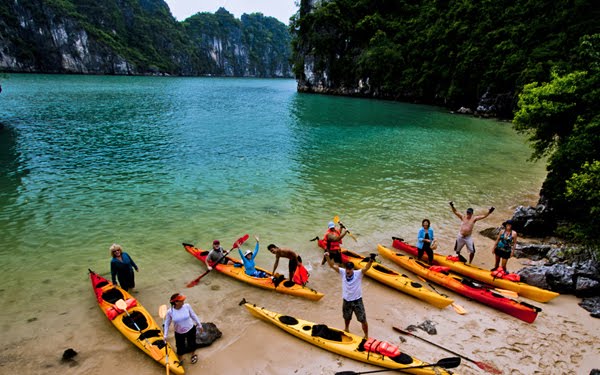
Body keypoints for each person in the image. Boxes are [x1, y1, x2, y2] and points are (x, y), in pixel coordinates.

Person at [325, 252, 373, 337]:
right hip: (346, 300)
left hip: (357, 300)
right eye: (347, 268)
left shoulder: (358, 273)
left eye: (350, 269)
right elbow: (332, 265)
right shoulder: (342, 272)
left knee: (363, 319)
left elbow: (366, 268)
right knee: (346, 317)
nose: (348, 271)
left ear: (353, 269)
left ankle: (366, 335)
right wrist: (327, 257)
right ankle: (346, 328)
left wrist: (371, 261)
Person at [163, 293, 203, 364]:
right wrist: (165, 335)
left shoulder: (187, 306)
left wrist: (199, 325)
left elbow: (193, 315)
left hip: (190, 329)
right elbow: (167, 323)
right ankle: (180, 359)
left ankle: (193, 355)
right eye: (181, 300)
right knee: (180, 347)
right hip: (179, 333)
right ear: (176, 302)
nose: (183, 301)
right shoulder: (170, 312)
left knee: (192, 343)